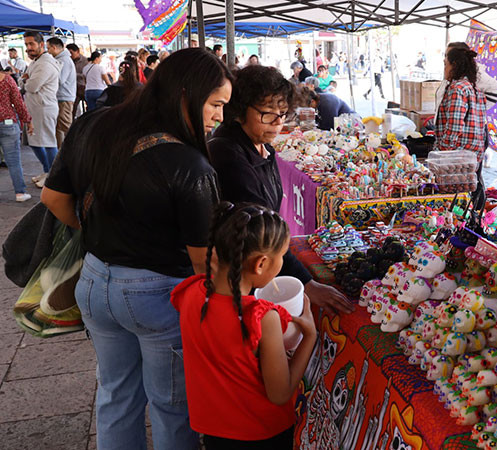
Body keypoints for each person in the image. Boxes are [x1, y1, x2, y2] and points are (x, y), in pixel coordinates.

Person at [40, 48, 233, 449]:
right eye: (216, 105)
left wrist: (97, 230)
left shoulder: (92, 125)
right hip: (157, 297)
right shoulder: (191, 166)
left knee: (115, 395)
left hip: (93, 283)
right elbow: (203, 264)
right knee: (170, 407)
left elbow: (53, 198)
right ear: (186, 96)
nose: (219, 117)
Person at [208, 65, 353, 314]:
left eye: (283, 113)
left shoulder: (262, 146)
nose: (277, 123)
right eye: (267, 114)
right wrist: (308, 283)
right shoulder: (228, 153)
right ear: (240, 111)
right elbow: (259, 232)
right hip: (239, 276)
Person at [171, 202, 317, 447]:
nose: (282, 262)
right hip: (261, 433)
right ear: (260, 264)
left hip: (214, 430)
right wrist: (309, 336)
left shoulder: (191, 293)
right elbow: (280, 393)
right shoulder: (262, 317)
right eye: (281, 256)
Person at [22, 31, 60, 188]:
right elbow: (25, 79)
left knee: (48, 142)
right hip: (35, 108)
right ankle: (47, 171)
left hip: (44, 108)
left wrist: (25, 80)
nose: (28, 48)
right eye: (26, 45)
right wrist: (24, 79)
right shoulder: (37, 62)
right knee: (35, 142)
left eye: (31, 44)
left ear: (41, 44)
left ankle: (54, 176)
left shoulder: (45, 63)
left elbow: (31, 85)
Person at [434, 46, 487, 157]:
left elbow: (455, 126)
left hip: (457, 155)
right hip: (471, 155)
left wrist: (442, 150)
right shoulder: (474, 88)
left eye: (445, 64)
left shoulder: (457, 89)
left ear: (454, 66)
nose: (444, 69)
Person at [0, 69, 33, 202]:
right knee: (14, 161)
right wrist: (27, 120)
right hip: (7, 123)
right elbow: (18, 102)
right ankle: (20, 193)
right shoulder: (7, 80)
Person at [46, 38, 76, 150]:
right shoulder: (60, 59)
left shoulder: (64, 61)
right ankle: (60, 152)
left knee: (66, 126)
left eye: (48, 48)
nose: (47, 51)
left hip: (64, 98)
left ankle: (75, 150)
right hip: (60, 97)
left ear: (54, 47)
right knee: (59, 127)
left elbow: (60, 80)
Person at [66, 43, 88, 118]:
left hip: (83, 87)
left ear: (77, 51)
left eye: (71, 53)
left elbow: (86, 74)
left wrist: (74, 75)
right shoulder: (68, 61)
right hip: (73, 88)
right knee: (72, 109)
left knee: (88, 106)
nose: (70, 55)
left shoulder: (85, 61)